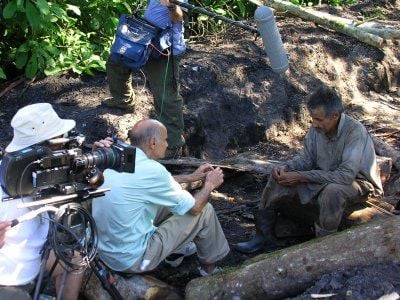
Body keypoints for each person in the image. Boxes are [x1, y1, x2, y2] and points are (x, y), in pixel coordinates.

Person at [234, 86, 383, 254]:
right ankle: (262, 236)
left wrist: (301, 177)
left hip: (358, 183)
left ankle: (325, 244)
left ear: (335, 116)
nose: (314, 124)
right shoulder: (317, 129)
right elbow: (306, 159)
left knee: (333, 191)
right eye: (312, 119)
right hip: (325, 174)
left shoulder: (354, 132)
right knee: (278, 176)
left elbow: (345, 176)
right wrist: (287, 168)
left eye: (318, 119)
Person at [92, 119, 230, 276]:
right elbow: (195, 207)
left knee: (173, 201)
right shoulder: (153, 170)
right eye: (165, 140)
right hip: (132, 260)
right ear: (152, 142)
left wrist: (191, 177)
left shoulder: (118, 159)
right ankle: (209, 272)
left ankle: (175, 251)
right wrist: (210, 185)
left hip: (106, 252)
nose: (167, 144)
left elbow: (154, 184)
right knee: (204, 210)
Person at [0, 103, 84, 299]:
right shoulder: (12, 184)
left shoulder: (43, 173)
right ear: (46, 147)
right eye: (61, 140)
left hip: (31, 258)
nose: (65, 144)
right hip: (9, 279)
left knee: (76, 259)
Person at [104, 0, 188, 158]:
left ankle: (173, 145)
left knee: (166, 97)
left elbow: (178, 16)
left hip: (163, 45)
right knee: (116, 61)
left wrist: (170, 5)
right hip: (144, 34)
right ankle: (123, 100)